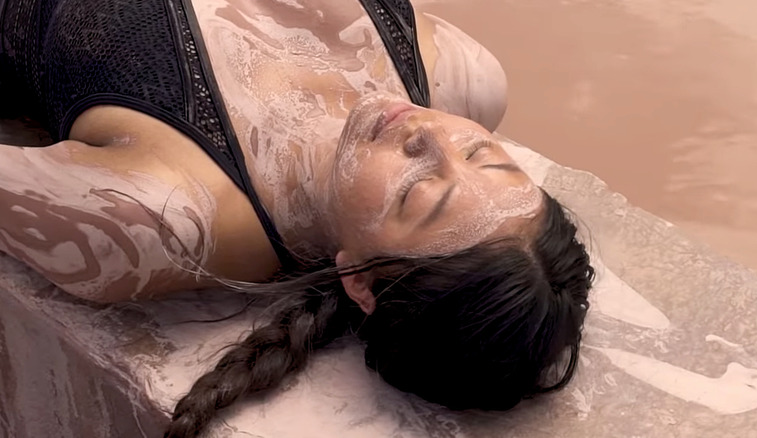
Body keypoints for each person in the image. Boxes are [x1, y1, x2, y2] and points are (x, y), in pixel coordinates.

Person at [0, 0, 594, 436]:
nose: (428, 133)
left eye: (415, 194)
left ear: (358, 279)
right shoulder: (464, 81)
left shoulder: (156, 223)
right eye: (481, 154)